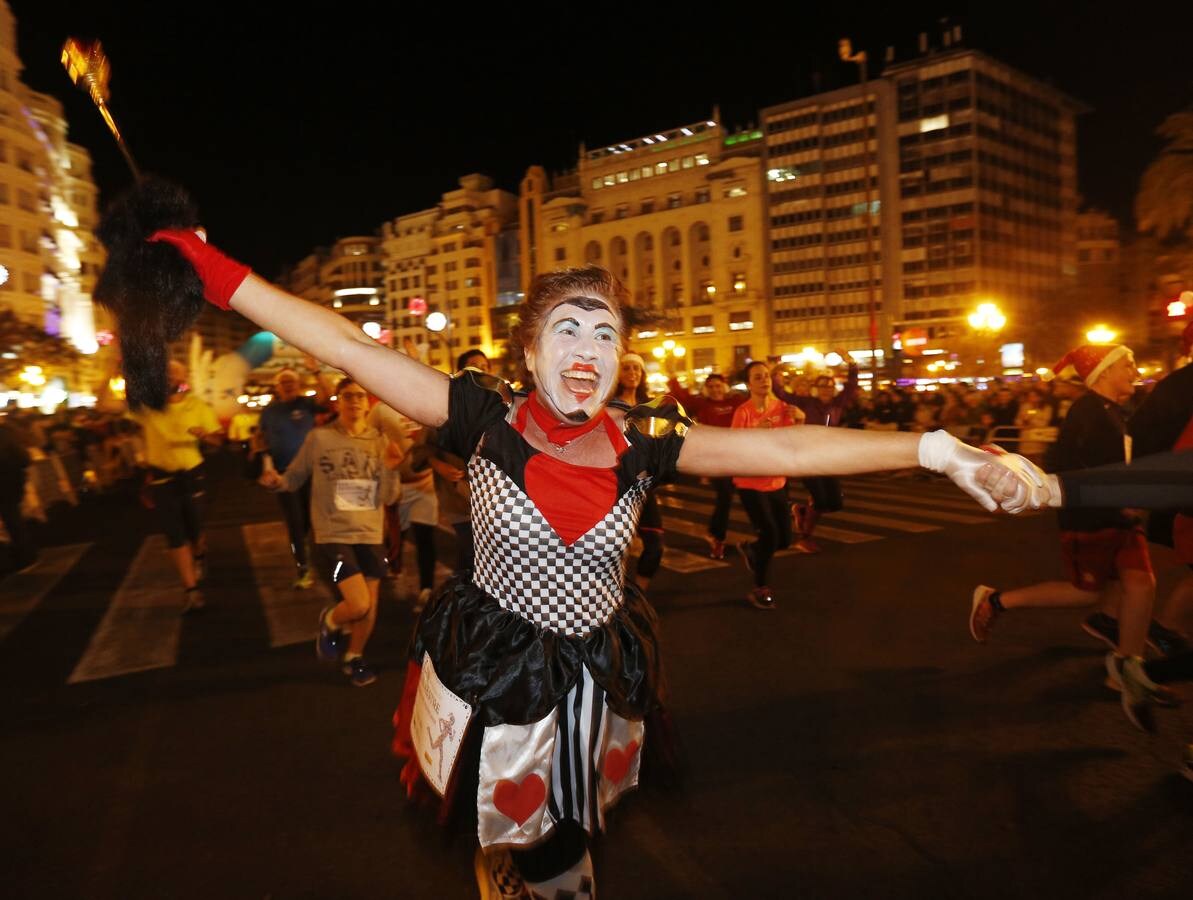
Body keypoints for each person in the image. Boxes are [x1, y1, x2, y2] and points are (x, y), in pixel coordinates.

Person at [145, 228, 1041, 897]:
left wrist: (938, 449)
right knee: (516, 832)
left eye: (605, 334)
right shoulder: (480, 421)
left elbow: (801, 451)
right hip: (495, 666)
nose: (587, 351)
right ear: (530, 351)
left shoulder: (647, 442)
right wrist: (219, 275)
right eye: (567, 331)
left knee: (568, 826)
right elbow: (347, 346)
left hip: (597, 667)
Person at [968, 343, 1167, 730]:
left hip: (1121, 518)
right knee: (1086, 592)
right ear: (1105, 372)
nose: (1135, 370)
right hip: (1089, 521)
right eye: (1127, 364)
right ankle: (996, 600)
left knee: (1142, 584)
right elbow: (1066, 467)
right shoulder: (1087, 412)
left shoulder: (1115, 410)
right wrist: (1118, 498)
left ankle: (1126, 670)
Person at [261, 377, 400, 686]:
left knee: (371, 604)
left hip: (369, 532)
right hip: (333, 532)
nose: (354, 401)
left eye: (360, 396)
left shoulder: (379, 442)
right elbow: (294, 477)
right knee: (358, 603)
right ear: (337, 401)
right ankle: (331, 619)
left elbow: (390, 497)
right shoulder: (319, 438)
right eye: (347, 396)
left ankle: (355, 657)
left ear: (367, 403)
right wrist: (277, 482)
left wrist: (391, 467)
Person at [127, 360, 223, 612]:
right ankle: (191, 589)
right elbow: (104, 404)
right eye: (165, 371)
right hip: (161, 479)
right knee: (174, 534)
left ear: (183, 376)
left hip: (192, 475)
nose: (169, 375)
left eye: (175, 371)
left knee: (195, 530)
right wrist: (108, 373)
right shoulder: (149, 406)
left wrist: (205, 436)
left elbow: (217, 442)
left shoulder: (198, 405)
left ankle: (199, 555)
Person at [729, 360, 804, 610]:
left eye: (767, 376)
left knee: (783, 540)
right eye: (758, 377)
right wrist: (754, 430)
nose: (764, 380)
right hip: (749, 482)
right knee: (770, 534)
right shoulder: (744, 412)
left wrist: (800, 421)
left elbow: (793, 441)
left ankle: (751, 549)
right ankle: (760, 587)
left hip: (777, 480)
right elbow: (733, 446)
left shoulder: (784, 408)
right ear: (749, 384)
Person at [772, 357, 858, 553]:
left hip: (828, 458)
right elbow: (780, 393)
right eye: (822, 386)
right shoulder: (806, 402)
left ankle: (802, 510)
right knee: (820, 499)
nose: (826, 390)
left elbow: (851, 386)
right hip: (807, 457)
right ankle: (805, 537)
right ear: (816, 389)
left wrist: (851, 364)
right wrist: (775, 373)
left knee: (835, 502)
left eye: (829, 386)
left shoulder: (838, 403)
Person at [255, 365, 328, 588]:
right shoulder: (269, 412)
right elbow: (261, 440)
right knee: (295, 523)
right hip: (284, 475)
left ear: (298, 385)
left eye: (291, 382)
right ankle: (303, 568)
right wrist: (266, 465)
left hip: (312, 472)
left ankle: (314, 557)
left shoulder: (306, 405)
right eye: (283, 382)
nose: (288, 386)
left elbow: (328, 396)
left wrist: (317, 371)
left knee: (312, 521)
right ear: (277, 387)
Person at [666, 371, 746, 559]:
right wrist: (673, 378)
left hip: (740, 456)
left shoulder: (735, 402)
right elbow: (681, 398)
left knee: (747, 496)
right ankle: (717, 538)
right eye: (711, 387)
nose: (715, 389)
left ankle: (763, 536)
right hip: (715, 458)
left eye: (718, 386)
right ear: (706, 390)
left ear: (724, 387)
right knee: (725, 496)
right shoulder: (702, 403)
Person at [614, 352, 665, 590]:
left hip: (645, 484)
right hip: (616, 485)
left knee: (655, 547)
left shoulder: (650, 406)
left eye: (637, 368)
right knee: (616, 551)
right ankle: (614, 601)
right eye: (627, 368)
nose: (633, 373)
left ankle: (639, 597)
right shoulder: (607, 405)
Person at [0, 416, 36, 573]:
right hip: (11, 481)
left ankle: (24, 556)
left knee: (12, 519)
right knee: (13, 518)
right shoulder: (7, 433)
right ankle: (25, 556)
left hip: (6, 483)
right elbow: (25, 459)